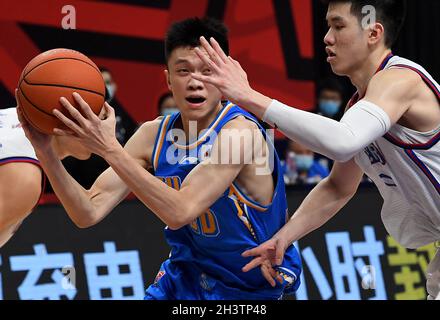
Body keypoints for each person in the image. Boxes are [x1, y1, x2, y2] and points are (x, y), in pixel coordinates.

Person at [18, 18, 301, 300]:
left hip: (245, 287)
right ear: (167, 79)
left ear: (224, 77)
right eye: (183, 71)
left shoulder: (241, 132)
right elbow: (88, 211)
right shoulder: (153, 135)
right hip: (182, 279)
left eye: (207, 71)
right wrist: (45, 152)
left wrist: (110, 148)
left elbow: (180, 212)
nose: (195, 82)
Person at [190, 0, 440, 299]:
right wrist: (284, 237)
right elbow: (337, 187)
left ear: (373, 33)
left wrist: (247, 96)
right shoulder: (361, 108)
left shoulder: (400, 79)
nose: (327, 37)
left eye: (338, 25)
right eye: (327, 26)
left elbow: (342, 140)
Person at [0, 104, 91, 248]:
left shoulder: (11, 115)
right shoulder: (25, 179)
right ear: (64, 120)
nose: (103, 129)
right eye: (98, 118)